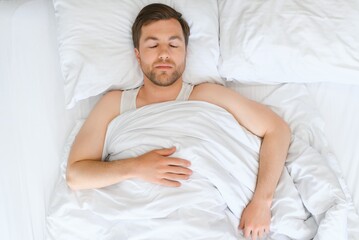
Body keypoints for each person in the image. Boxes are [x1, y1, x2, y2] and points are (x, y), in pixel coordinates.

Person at [66, 3, 291, 240]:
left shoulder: (208, 95)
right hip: (137, 223)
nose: (164, 53)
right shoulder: (114, 104)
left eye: (173, 44)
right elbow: (76, 175)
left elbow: (276, 129)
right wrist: (137, 166)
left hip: (206, 221)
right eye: (153, 45)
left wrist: (261, 202)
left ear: (185, 52)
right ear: (138, 54)